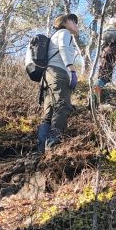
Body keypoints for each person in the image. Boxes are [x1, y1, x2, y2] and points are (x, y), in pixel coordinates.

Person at [37, 13, 84, 152]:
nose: (76, 24)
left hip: (48, 77)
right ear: (64, 22)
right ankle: (53, 144)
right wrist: (72, 70)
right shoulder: (64, 33)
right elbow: (63, 48)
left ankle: (41, 149)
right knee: (62, 106)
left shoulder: (54, 36)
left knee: (49, 113)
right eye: (73, 21)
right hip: (58, 73)